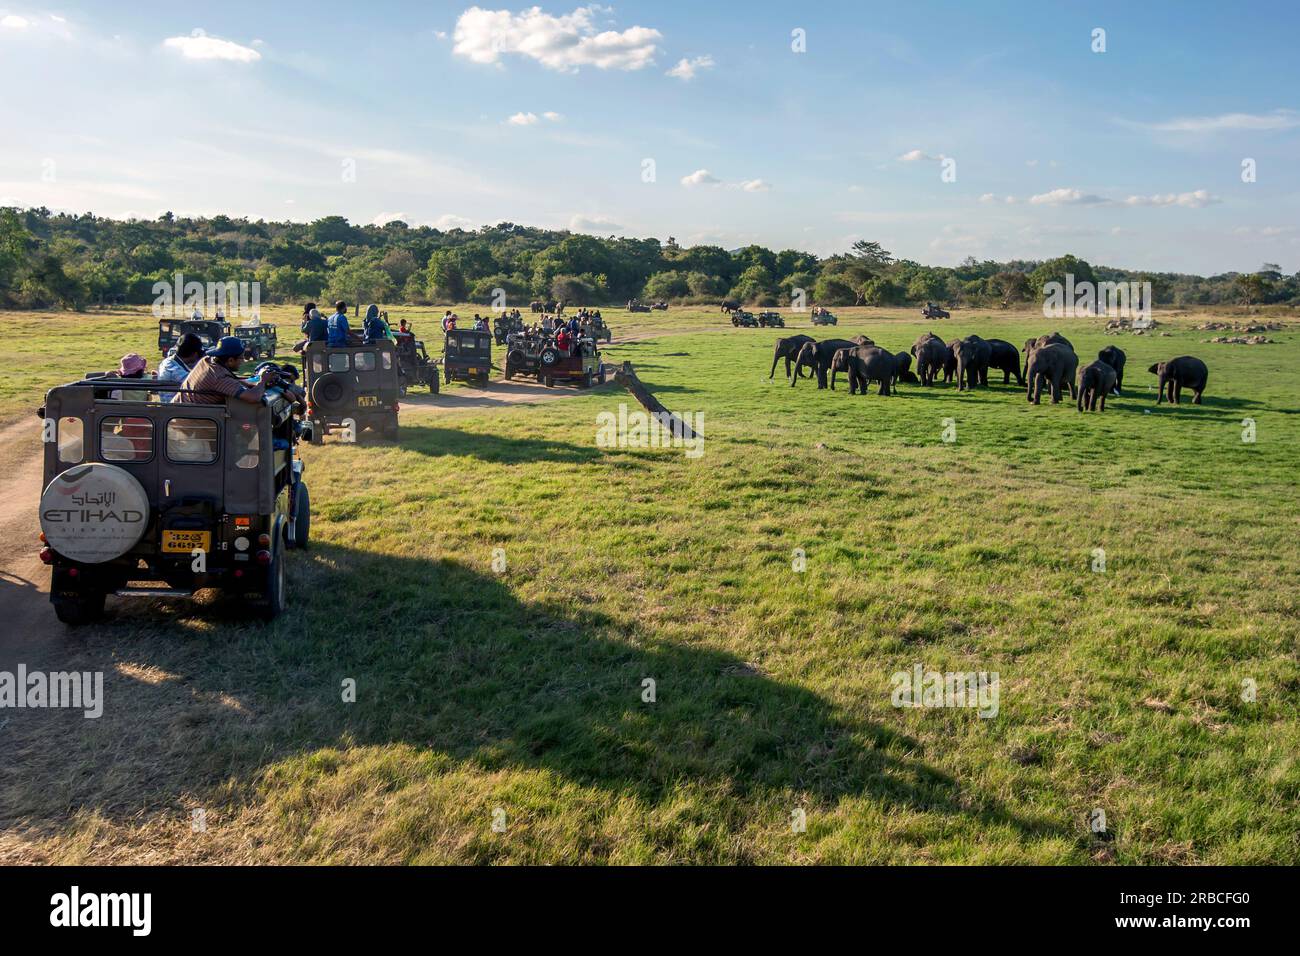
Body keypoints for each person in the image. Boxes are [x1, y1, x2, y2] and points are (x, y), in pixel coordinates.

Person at [177, 336, 268, 406]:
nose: (243, 361)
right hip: (191, 424)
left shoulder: (207, 361)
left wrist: (256, 380)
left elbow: (233, 382)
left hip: (181, 413)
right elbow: (253, 397)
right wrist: (263, 380)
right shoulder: (219, 377)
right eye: (241, 357)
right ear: (230, 360)